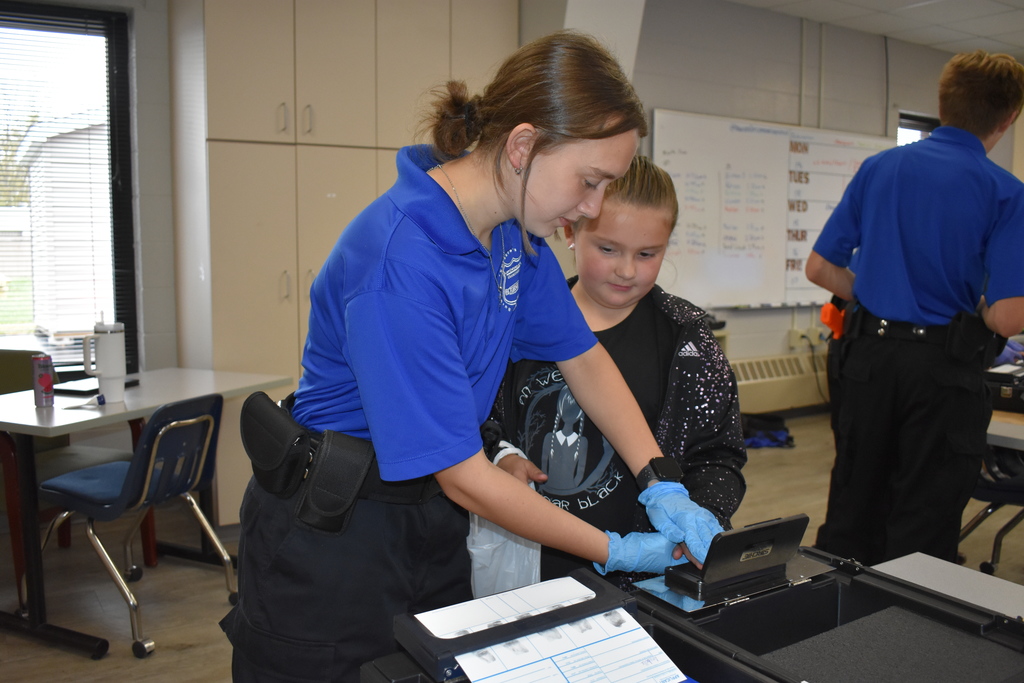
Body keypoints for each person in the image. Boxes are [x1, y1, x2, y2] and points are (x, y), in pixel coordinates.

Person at [221, 31, 721, 682]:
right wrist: (616, 549)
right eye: (590, 181)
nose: (592, 208)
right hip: (336, 533)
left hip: (429, 515)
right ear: (522, 146)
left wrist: (661, 480)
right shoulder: (400, 260)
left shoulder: (516, 234)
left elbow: (583, 357)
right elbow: (466, 474)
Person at [806, 50, 1024, 567]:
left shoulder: (880, 168)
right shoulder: (1006, 192)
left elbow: (820, 269)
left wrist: (877, 290)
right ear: (1009, 117)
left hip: (866, 365)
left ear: (944, 104)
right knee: (922, 521)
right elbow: (1009, 318)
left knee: (854, 506)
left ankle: (830, 627)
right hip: (941, 374)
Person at [485, 155, 746, 589]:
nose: (627, 270)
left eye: (647, 254)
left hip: (647, 578)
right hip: (534, 566)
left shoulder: (688, 340)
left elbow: (719, 457)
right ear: (570, 229)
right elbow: (479, 418)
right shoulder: (518, 321)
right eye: (608, 249)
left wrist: (697, 519)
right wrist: (501, 453)